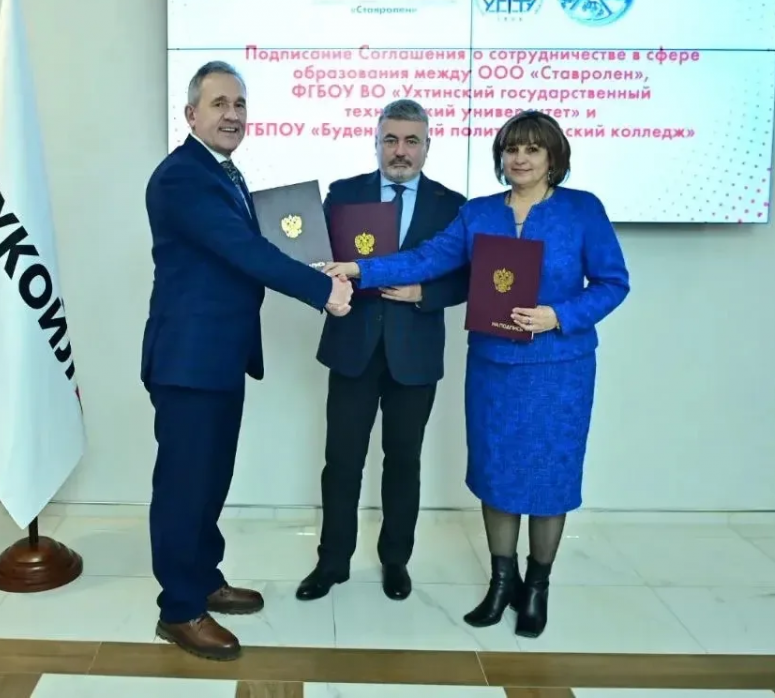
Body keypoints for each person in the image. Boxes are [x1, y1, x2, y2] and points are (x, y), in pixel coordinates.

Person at [325, 110, 629, 638]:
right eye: (511, 149)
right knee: (496, 473)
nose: (520, 158)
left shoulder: (583, 210)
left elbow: (613, 283)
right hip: (493, 369)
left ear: (553, 157)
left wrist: (558, 316)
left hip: (559, 371)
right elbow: (426, 259)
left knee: (549, 477)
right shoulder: (479, 213)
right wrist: (360, 268)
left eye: (532, 149)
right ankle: (501, 583)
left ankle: (536, 588)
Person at [142, 61, 353, 661]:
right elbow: (244, 249)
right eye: (219, 104)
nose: (232, 114)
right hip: (188, 360)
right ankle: (179, 609)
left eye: (239, 104)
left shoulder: (223, 173)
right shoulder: (183, 177)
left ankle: (204, 578)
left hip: (218, 356)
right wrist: (322, 289)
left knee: (210, 479)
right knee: (184, 485)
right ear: (191, 115)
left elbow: (256, 245)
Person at [296, 99, 468, 604]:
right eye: (390, 139)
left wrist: (424, 293)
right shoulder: (344, 194)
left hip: (415, 353)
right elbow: (316, 257)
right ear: (376, 142)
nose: (400, 151)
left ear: (428, 146)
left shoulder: (451, 204)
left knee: (404, 461)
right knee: (341, 461)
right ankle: (332, 562)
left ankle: (396, 560)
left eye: (411, 141)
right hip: (353, 347)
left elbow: (467, 278)